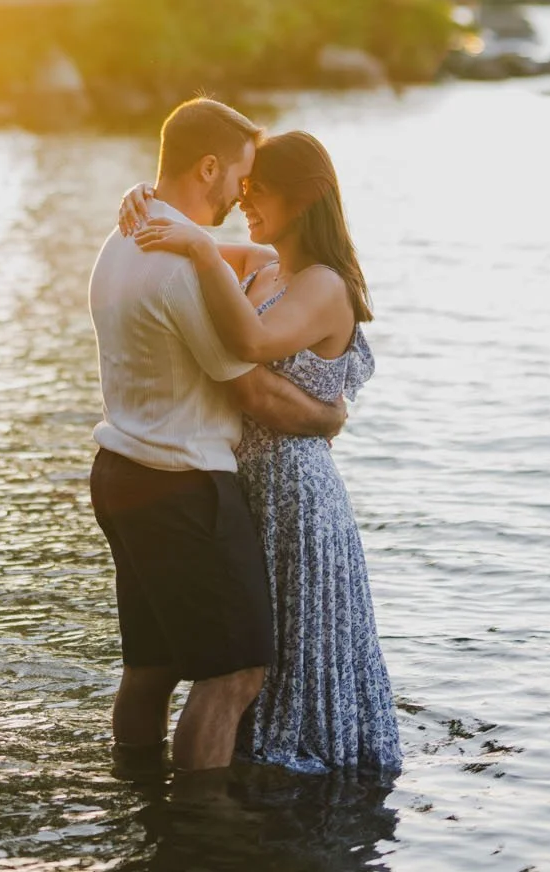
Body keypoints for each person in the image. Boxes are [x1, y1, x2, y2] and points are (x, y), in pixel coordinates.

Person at [125, 128, 401, 774]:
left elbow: (249, 344)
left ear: (302, 199)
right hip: (247, 485)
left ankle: (298, 773)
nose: (244, 203)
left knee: (290, 645)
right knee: (248, 645)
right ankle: (246, 766)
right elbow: (171, 236)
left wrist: (200, 248)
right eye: (243, 189)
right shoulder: (266, 265)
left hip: (295, 491)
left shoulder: (324, 285)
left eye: (259, 192)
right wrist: (143, 198)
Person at [87, 98, 349, 774]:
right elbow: (251, 389)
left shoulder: (123, 239)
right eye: (239, 177)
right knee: (233, 673)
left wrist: (165, 212)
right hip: (183, 485)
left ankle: (137, 790)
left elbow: (261, 257)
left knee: (151, 665)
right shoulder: (182, 266)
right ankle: (200, 823)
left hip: (119, 470)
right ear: (208, 167)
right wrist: (328, 418)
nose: (242, 194)